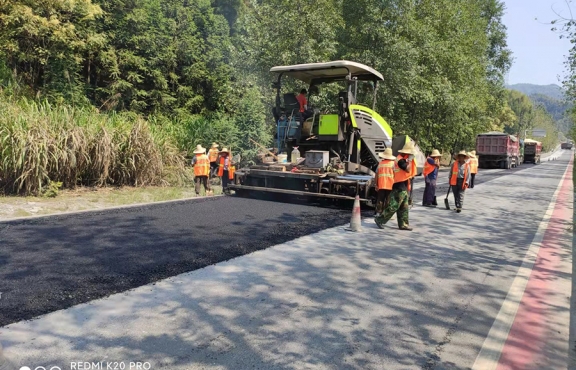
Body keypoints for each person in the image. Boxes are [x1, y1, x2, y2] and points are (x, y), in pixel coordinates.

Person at [375, 142, 415, 231]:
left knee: (404, 207)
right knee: (394, 205)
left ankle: (403, 224)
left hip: (403, 185)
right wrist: (410, 160)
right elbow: (408, 170)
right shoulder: (400, 160)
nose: (411, 154)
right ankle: (380, 219)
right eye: (410, 153)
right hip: (399, 185)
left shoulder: (403, 159)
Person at [374, 148, 396, 215]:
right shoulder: (393, 164)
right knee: (388, 201)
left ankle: (378, 213)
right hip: (390, 185)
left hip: (381, 185)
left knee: (380, 200)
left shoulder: (380, 164)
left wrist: (376, 184)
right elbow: (396, 175)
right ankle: (386, 214)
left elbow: (376, 175)